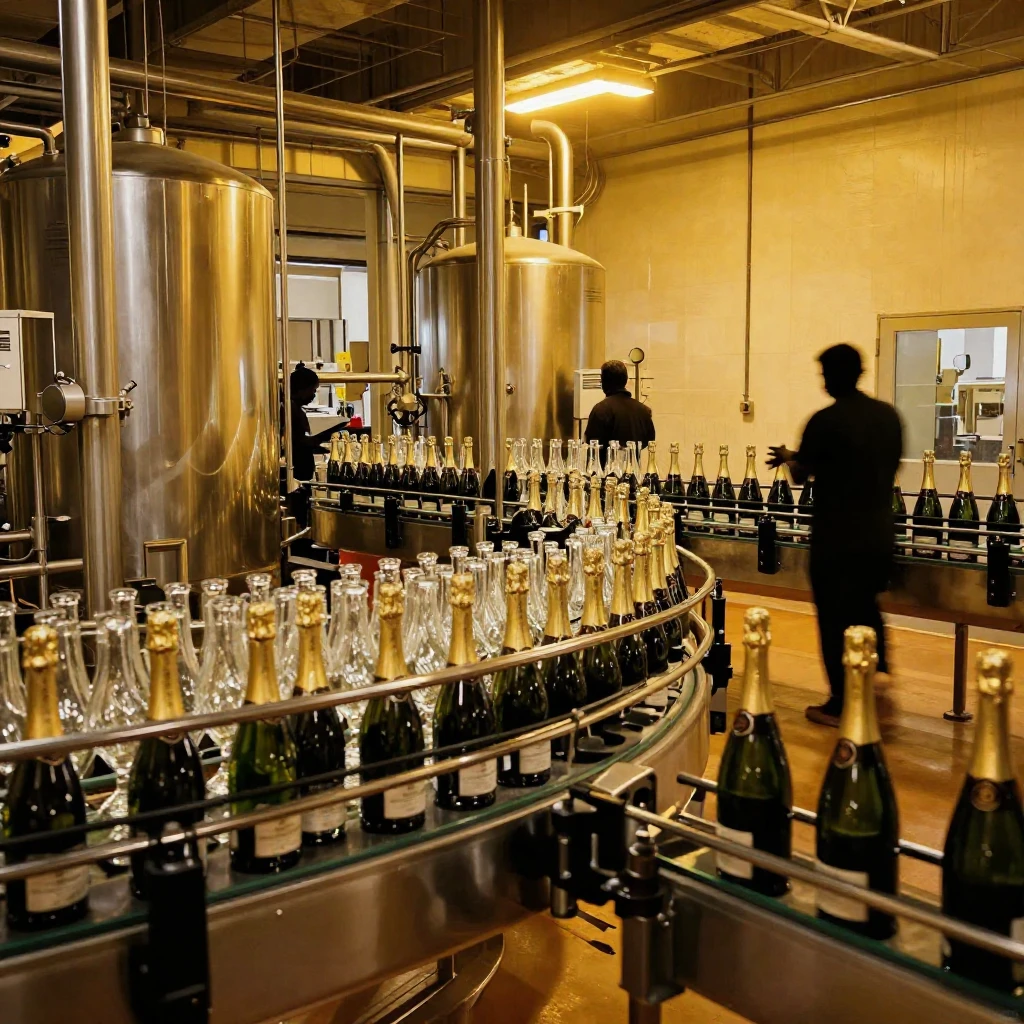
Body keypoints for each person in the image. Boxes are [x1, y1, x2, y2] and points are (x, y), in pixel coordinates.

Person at [768, 344, 902, 727]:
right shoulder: (887, 416)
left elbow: (801, 474)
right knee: (866, 606)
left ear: (834, 375)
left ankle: (841, 702)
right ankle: (878, 676)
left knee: (833, 619)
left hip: (837, 537)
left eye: (824, 373)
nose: (823, 381)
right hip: (878, 532)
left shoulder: (824, 420)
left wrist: (789, 457)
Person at [584, 359, 655, 453]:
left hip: (604, 462)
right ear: (625, 380)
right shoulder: (643, 410)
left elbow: (592, 441)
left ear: (604, 382)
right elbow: (649, 440)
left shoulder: (601, 409)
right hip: (634, 461)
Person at [286, 363, 340, 483]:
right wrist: (323, 436)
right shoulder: (291, 411)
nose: (313, 395)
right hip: (297, 475)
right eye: (313, 390)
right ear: (302, 389)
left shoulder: (295, 409)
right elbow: (298, 443)